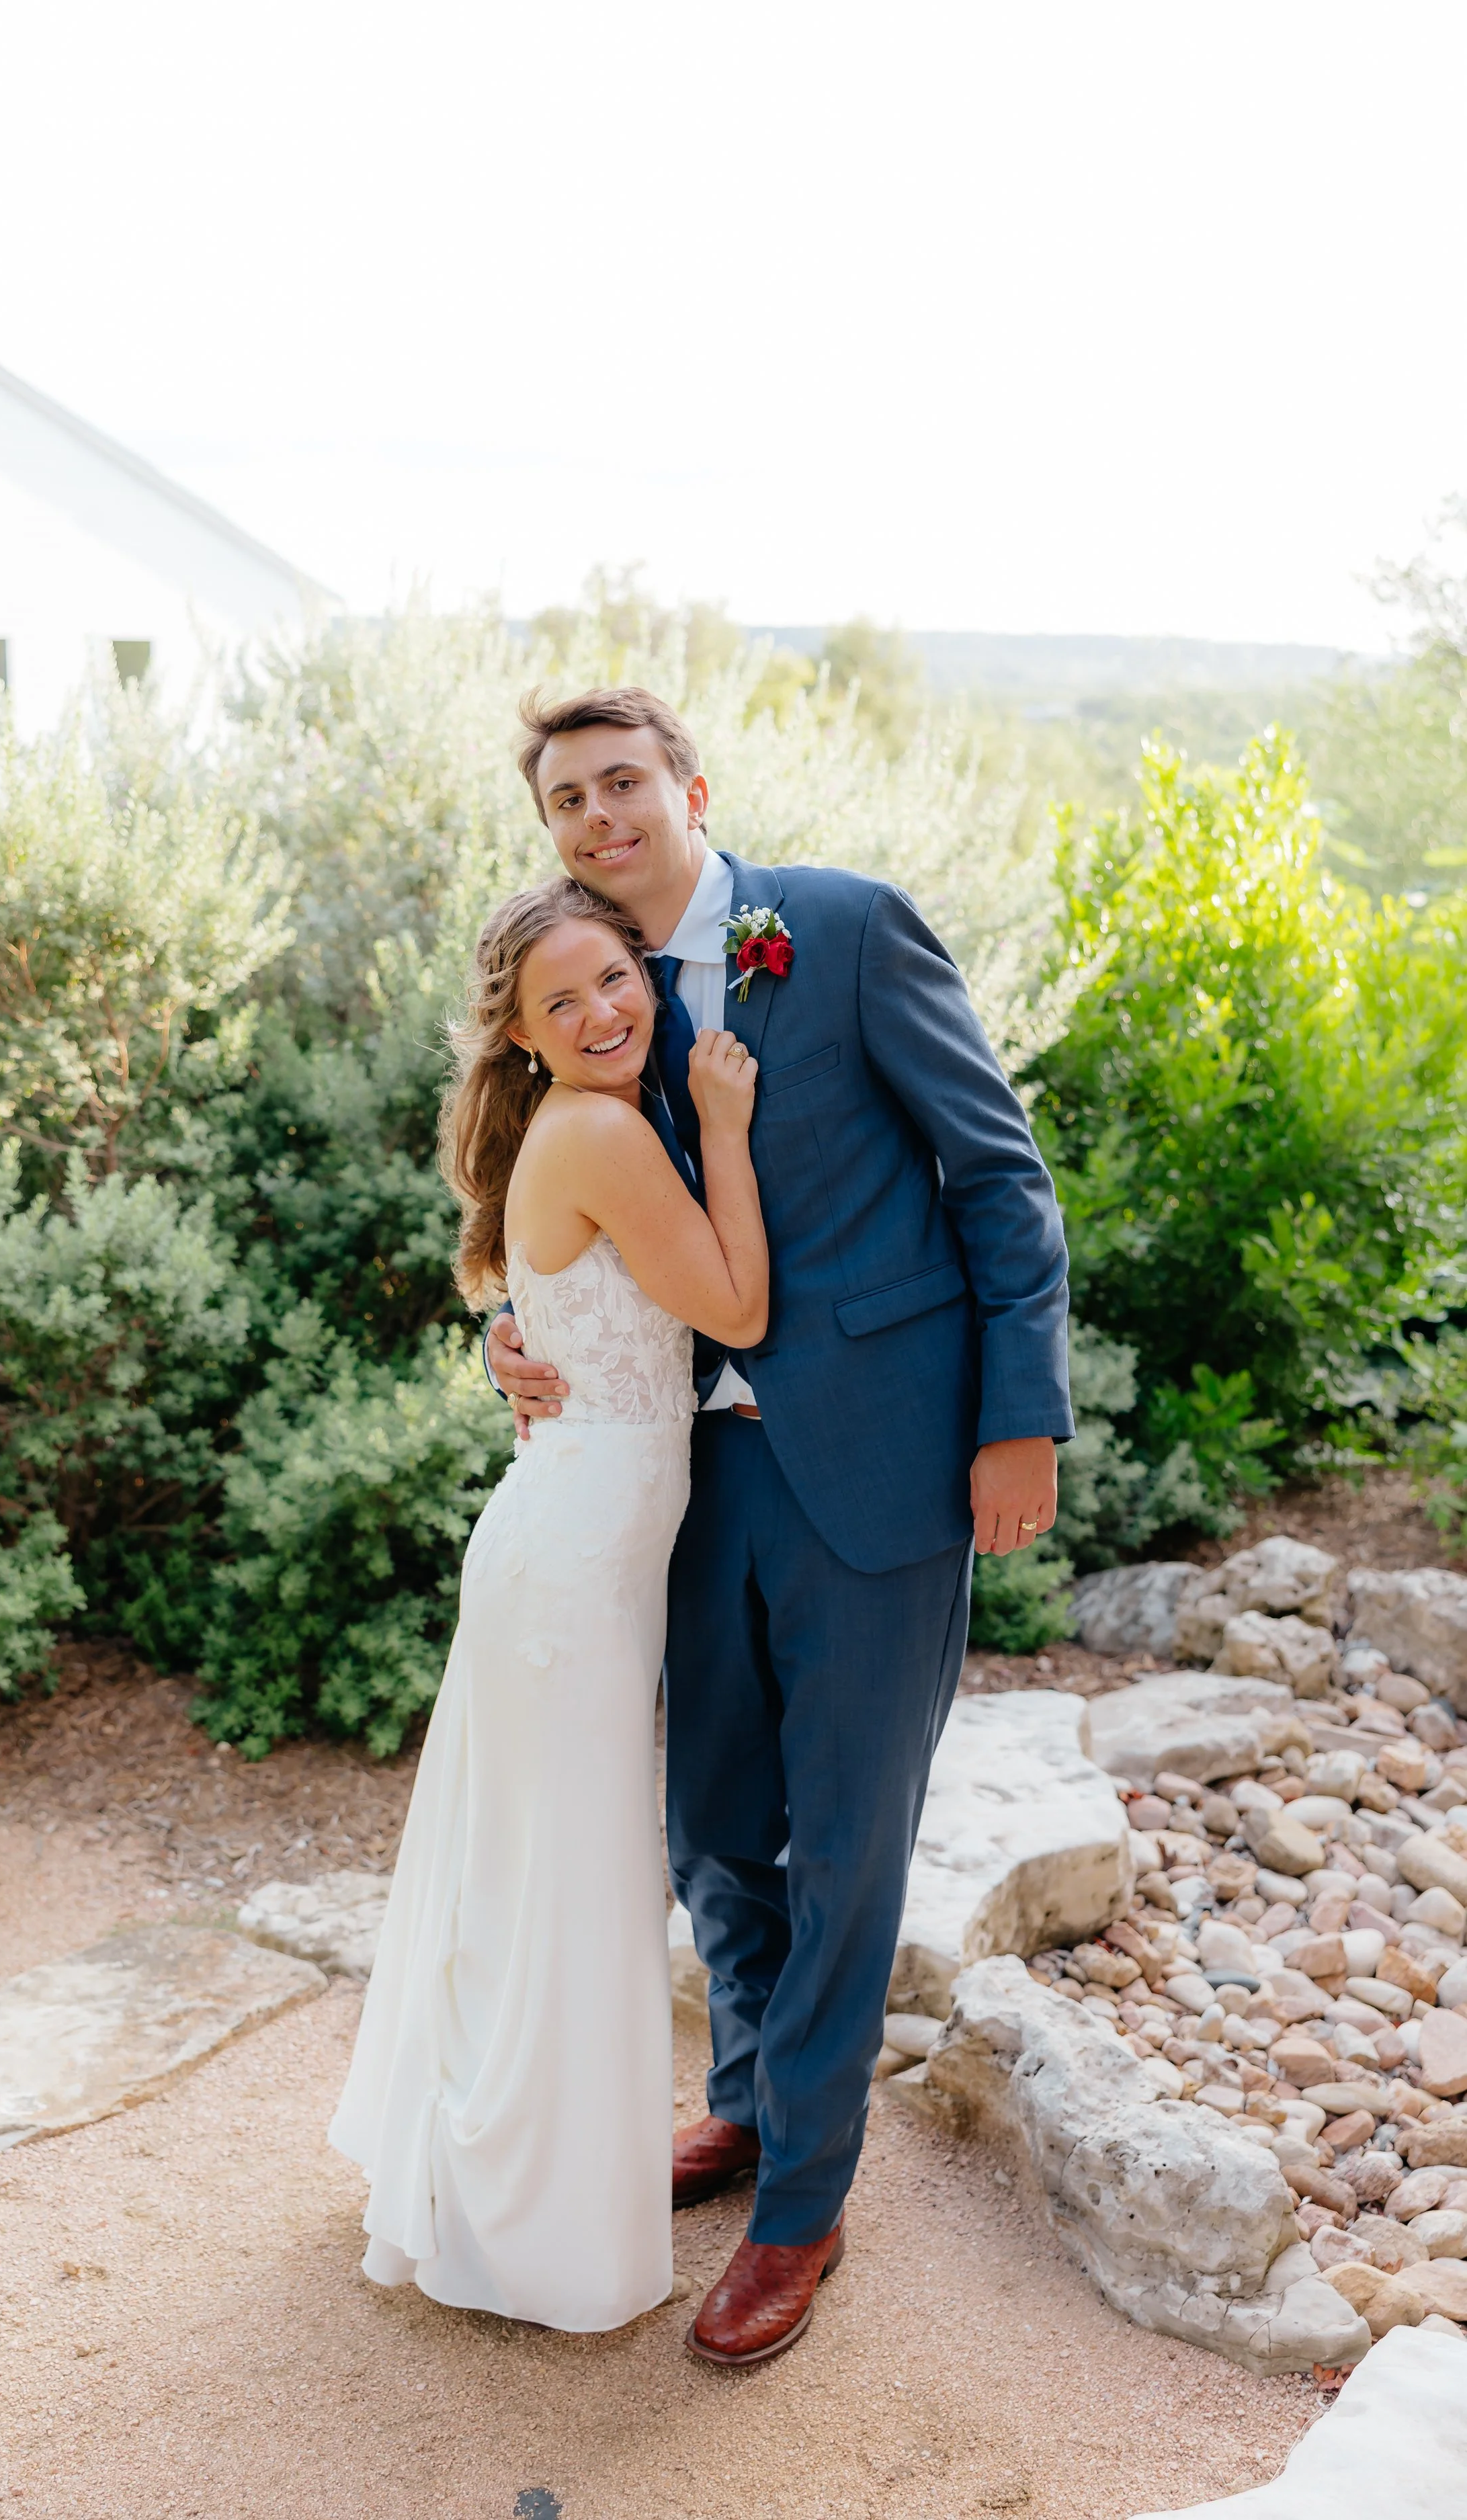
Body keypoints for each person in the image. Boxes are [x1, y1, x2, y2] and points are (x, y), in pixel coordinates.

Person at [487, 685, 1073, 2367]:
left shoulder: (838, 926)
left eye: (621, 783)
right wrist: (508, 1334)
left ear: (688, 786)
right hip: (683, 1478)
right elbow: (557, 1215)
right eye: (566, 803)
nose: (599, 819)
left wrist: (1015, 1417)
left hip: (883, 1462)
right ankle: (747, 2096)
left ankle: (800, 2206)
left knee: (846, 1847)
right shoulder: (586, 993)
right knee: (706, 1821)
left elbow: (996, 1175)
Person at [329, 876, 768, 2333]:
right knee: (568, 1879)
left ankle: (501, 2180)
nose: (599, 1015)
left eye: (611, 980)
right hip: (575, 1556)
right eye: (557, 1004)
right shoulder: (602, 1128)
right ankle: (531, 2224)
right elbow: (737, 1312)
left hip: (573, 1536)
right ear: (519, 1040)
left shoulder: (576, 1127)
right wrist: (718, 1123)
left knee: (535, 1872)